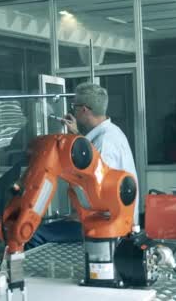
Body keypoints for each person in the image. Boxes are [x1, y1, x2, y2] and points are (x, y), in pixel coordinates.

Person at [26, 82, 138, 248]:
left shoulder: (105, 143)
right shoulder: (112, 132)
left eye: (74, 106)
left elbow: (101, 194)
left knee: (31, 236)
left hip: (106, 225)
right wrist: (76, 134)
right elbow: (94, 161)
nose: (73, 110)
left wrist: (79, 215)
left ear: (84, 109)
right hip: (113, 220)